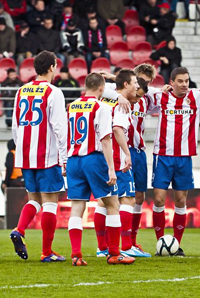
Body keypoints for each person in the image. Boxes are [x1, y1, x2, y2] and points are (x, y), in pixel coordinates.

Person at [66, 72, 134, 266]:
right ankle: (114, 253)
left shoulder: (73, 105)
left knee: (77, 207)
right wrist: (112, 169)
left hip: (73, 160)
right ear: (102, 87)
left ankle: (76, 255)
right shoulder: (101, 107)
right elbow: (105, 138)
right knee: (112, 204)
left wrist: (65, 162)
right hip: (93, 159)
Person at [147, 67, 200, 256]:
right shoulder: (160, 96)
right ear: (172, 82)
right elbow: (136, 86)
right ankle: (160, 243)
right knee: (159, 199)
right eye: (180, 81)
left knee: (180, 200)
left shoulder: (196, 95)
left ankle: (177, 245)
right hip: (162, 156)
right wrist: (114, 78)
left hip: (184, 158)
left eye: (186, 80)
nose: (184, 84)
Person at [10, 50, 68, 262]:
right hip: (47, 156)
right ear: (52, 67)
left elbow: (16, 126)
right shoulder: (54, 92)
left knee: (34, 199)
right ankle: (46, 252)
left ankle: (19, 230)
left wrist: (22, 150)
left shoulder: (21, 91)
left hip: (26, 155)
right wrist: (64, 157)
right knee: (50, 202)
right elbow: (60, 128)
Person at [97, 64, 157, 254]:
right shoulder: (121, 102)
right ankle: (126, 246)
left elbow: (94, 88)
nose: (139, 89)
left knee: (107, 200)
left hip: (103, 153)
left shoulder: (108, 95)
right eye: (136, 84)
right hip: (119, 154)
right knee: (128, 199)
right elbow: (117, 129)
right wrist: (127, 153)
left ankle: (103, 247)